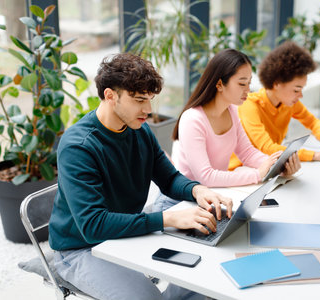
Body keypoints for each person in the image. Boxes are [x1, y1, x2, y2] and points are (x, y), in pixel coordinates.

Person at [48, 53, 233, 300]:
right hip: (81, 248)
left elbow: (168, 179)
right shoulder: (78, 146)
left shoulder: (140, 130)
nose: (148, 110)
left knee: (213, 277)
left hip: (126, 235)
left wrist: (198, 190)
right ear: (110, 96)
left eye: (149, 100)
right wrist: (168, 218)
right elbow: (93, 226)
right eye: (138, 100)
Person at [153, 49, 300, 212]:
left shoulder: (232, 111)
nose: (248, 90)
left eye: (249, 83)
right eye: (242, 83)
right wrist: (257, 174)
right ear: (219, 84)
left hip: (210, 199)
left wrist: (277, 166)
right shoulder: (192, 119)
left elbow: (247, 153)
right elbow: (206, 177)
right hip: (178, 203)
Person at [229, 41, 320, 171]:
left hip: (269, 166)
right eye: (296, 90)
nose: (300, 95)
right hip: (240, 169)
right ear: (277, 83)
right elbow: (268, 148)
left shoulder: (289, 103)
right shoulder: (249, 105)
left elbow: (312, 122)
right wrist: (319, 155)